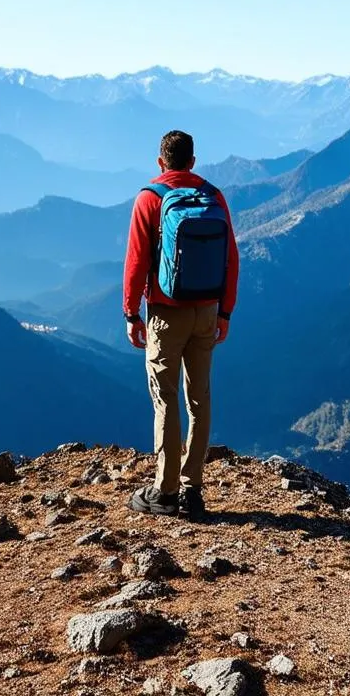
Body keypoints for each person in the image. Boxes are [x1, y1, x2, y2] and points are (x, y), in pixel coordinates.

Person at [123, 130, 239, 520]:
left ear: (160, 162)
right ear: (192, 161)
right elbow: (231, 259)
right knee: (200, 398)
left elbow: (136, 261)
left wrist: (130, 312)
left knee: (165, 398)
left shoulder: (149, 199)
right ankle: (194, 490)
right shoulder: (214, 196)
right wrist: (225, 312)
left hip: (166, 313)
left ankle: (165, 491)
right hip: (206, 310)